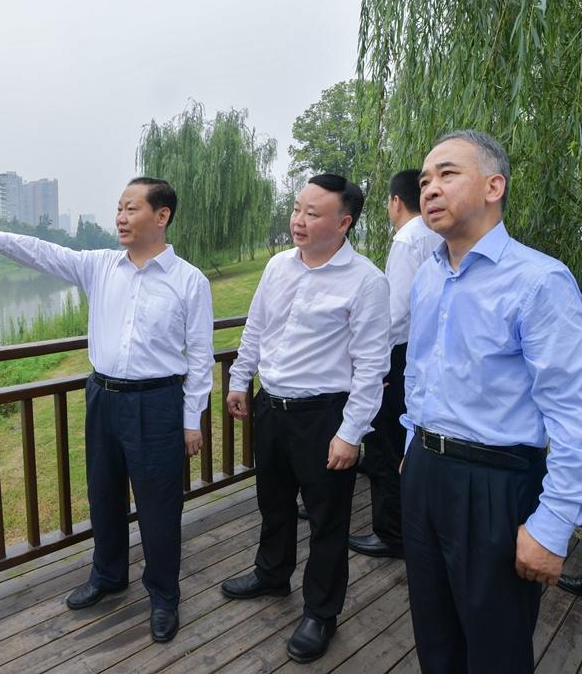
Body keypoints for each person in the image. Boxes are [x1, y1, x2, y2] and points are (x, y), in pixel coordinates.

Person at [0, 177, 213, 644]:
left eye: (131, 208)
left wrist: (191, 420)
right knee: (103, 494)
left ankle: (164, 595)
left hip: (157, 403)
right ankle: (108, 575)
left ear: (162, 216)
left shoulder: (189, 281)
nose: (120, 217)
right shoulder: (99, 266)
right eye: (119, 208)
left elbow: (201, 358)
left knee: (159, 506)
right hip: (103, 397)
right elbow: (43, 252)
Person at [401, 130, 582, 673]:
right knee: (434, 634)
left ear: (493, 186)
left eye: (447, 174)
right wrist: (412, 445)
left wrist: (553, 524)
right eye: (424, 180)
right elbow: (419, 369)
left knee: (496, 648)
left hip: (495, 484)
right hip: (424, 473)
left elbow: (572, 411)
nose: (429, 189)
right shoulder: (428, 275)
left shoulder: (540, 281)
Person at [220, 174, 390, 663]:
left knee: (327, 519)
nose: (298, 220)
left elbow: (371, 367)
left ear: (344, 222)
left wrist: (350, 433)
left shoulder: (366, 281)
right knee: (273, 502)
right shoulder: (278, 265)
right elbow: (256, 328)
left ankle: (321, 612)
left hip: (324, 416)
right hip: (272, 407)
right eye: (297, 208)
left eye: (312, 214)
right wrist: (239, 380)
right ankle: (272, 573)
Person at [349, 170, 442, 559]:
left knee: (384, 443)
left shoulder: (407, 239)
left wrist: (376, 362)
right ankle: (416, 524)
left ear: (395, 201)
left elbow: (395, 311)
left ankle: (391, 532)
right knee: (405, 439)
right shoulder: (436, 234)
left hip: (398, 353)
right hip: (424, 352)